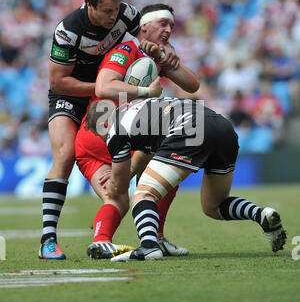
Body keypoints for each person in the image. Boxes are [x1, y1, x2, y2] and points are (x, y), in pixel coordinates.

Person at [39, 0, 180, 260]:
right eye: (106, 11)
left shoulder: (125, 13)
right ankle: (48, 239)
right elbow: (58, 83)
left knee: (134, 168)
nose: (113, 16)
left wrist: (168, 53)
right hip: (71, 95)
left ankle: (151, 235)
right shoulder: (67, 31)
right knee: (65, 156)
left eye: (116, 10)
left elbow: (148, 37)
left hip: (104, 95)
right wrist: (107, 87)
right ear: (89, 5)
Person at [84, 96, 287, 262]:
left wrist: (112, 182)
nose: (104, 140)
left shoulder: (114, 129)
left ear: (103, 123)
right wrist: (124, 173)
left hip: (189, 128)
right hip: (222, 126)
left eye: (100, 136)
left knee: (143, 195)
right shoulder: (137, 107)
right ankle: (261, 215)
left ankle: (148, 247)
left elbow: (118, 188)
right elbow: (146, 153)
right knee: (213, 206)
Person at [74, 4, 200, 259]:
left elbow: (192, 84)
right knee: (163, 168)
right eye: (163, 23)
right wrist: (147, 93)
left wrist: (165, 58)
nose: (168, 30)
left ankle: (104, 241)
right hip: (100, 136)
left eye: (172, 26)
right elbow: (103, 87)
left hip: (117, 138)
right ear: (144, 26)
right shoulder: (125, 50)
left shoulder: (157, 58)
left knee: (123, 195)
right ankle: (155, 239)